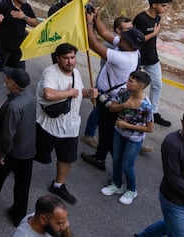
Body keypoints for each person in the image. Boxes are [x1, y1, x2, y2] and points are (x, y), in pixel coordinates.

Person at [81, 10, 145, 171]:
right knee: (105, 132)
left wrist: (89, 23)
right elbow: (103, 32)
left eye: (124, 39)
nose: (119, 39)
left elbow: (94, 44)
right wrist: (96, 17)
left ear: (130, 44)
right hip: (109, 97)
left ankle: (121, 169)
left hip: (111, 100)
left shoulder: (124, 58)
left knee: (108, 135)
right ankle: (100, 158)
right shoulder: (129, 49)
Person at [136, 109, 184, 237]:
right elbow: (173, 178)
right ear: (182, 123)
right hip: (175, 203)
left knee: (168, 225)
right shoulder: (172, 143)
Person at [36, 43, 98, 206]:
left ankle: (58, 185)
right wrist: (70, 92)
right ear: (58, 58)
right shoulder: (50, 72)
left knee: (66, 158)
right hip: (48, 126)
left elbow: (79, 93)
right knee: (34, 153)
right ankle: (16, 166)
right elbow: (48, 93)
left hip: (70, 127)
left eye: (72, 57)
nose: (70, 62)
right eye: (65, 58)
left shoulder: (76, 73)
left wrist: (89, 93)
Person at [0, 68, 36, 227]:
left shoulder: (13, 107)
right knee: (22, 185)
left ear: (13, 84)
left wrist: (1, 155)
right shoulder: (29, 97)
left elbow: (7, 135)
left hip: (12, 152)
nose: (5, 79)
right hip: (28, 149)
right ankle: (18, 215)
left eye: (7, 79)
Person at [99, 70, 154, 206]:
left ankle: (131, 190)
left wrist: (126, 125)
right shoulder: (124, 93)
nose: (127, 82)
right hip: (119, 133)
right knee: (116, 160)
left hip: (133, 139)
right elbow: (112, 108)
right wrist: (124, 106)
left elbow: (149, 128)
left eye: (131, 81)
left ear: (140, 86)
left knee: (127, 165)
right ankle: (117, 185)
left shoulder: (146, 106)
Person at [133, 0, 173, 127]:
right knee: (132, 85)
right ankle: (130, 108)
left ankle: (154, 112)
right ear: (154, 5)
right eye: (163, 5)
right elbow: (137, 39)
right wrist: (154, 34)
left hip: (152, 58)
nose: (165, 8)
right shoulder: (140, 18)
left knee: (157, 85)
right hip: (137, 58)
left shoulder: (157, 18)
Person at [0, 0, 39, 86]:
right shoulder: (4, 6)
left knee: (21, 73)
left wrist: (24, 17)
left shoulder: (26, 7)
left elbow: (35, 23)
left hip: (19, 47)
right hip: (3, 46)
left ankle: (19, 93)